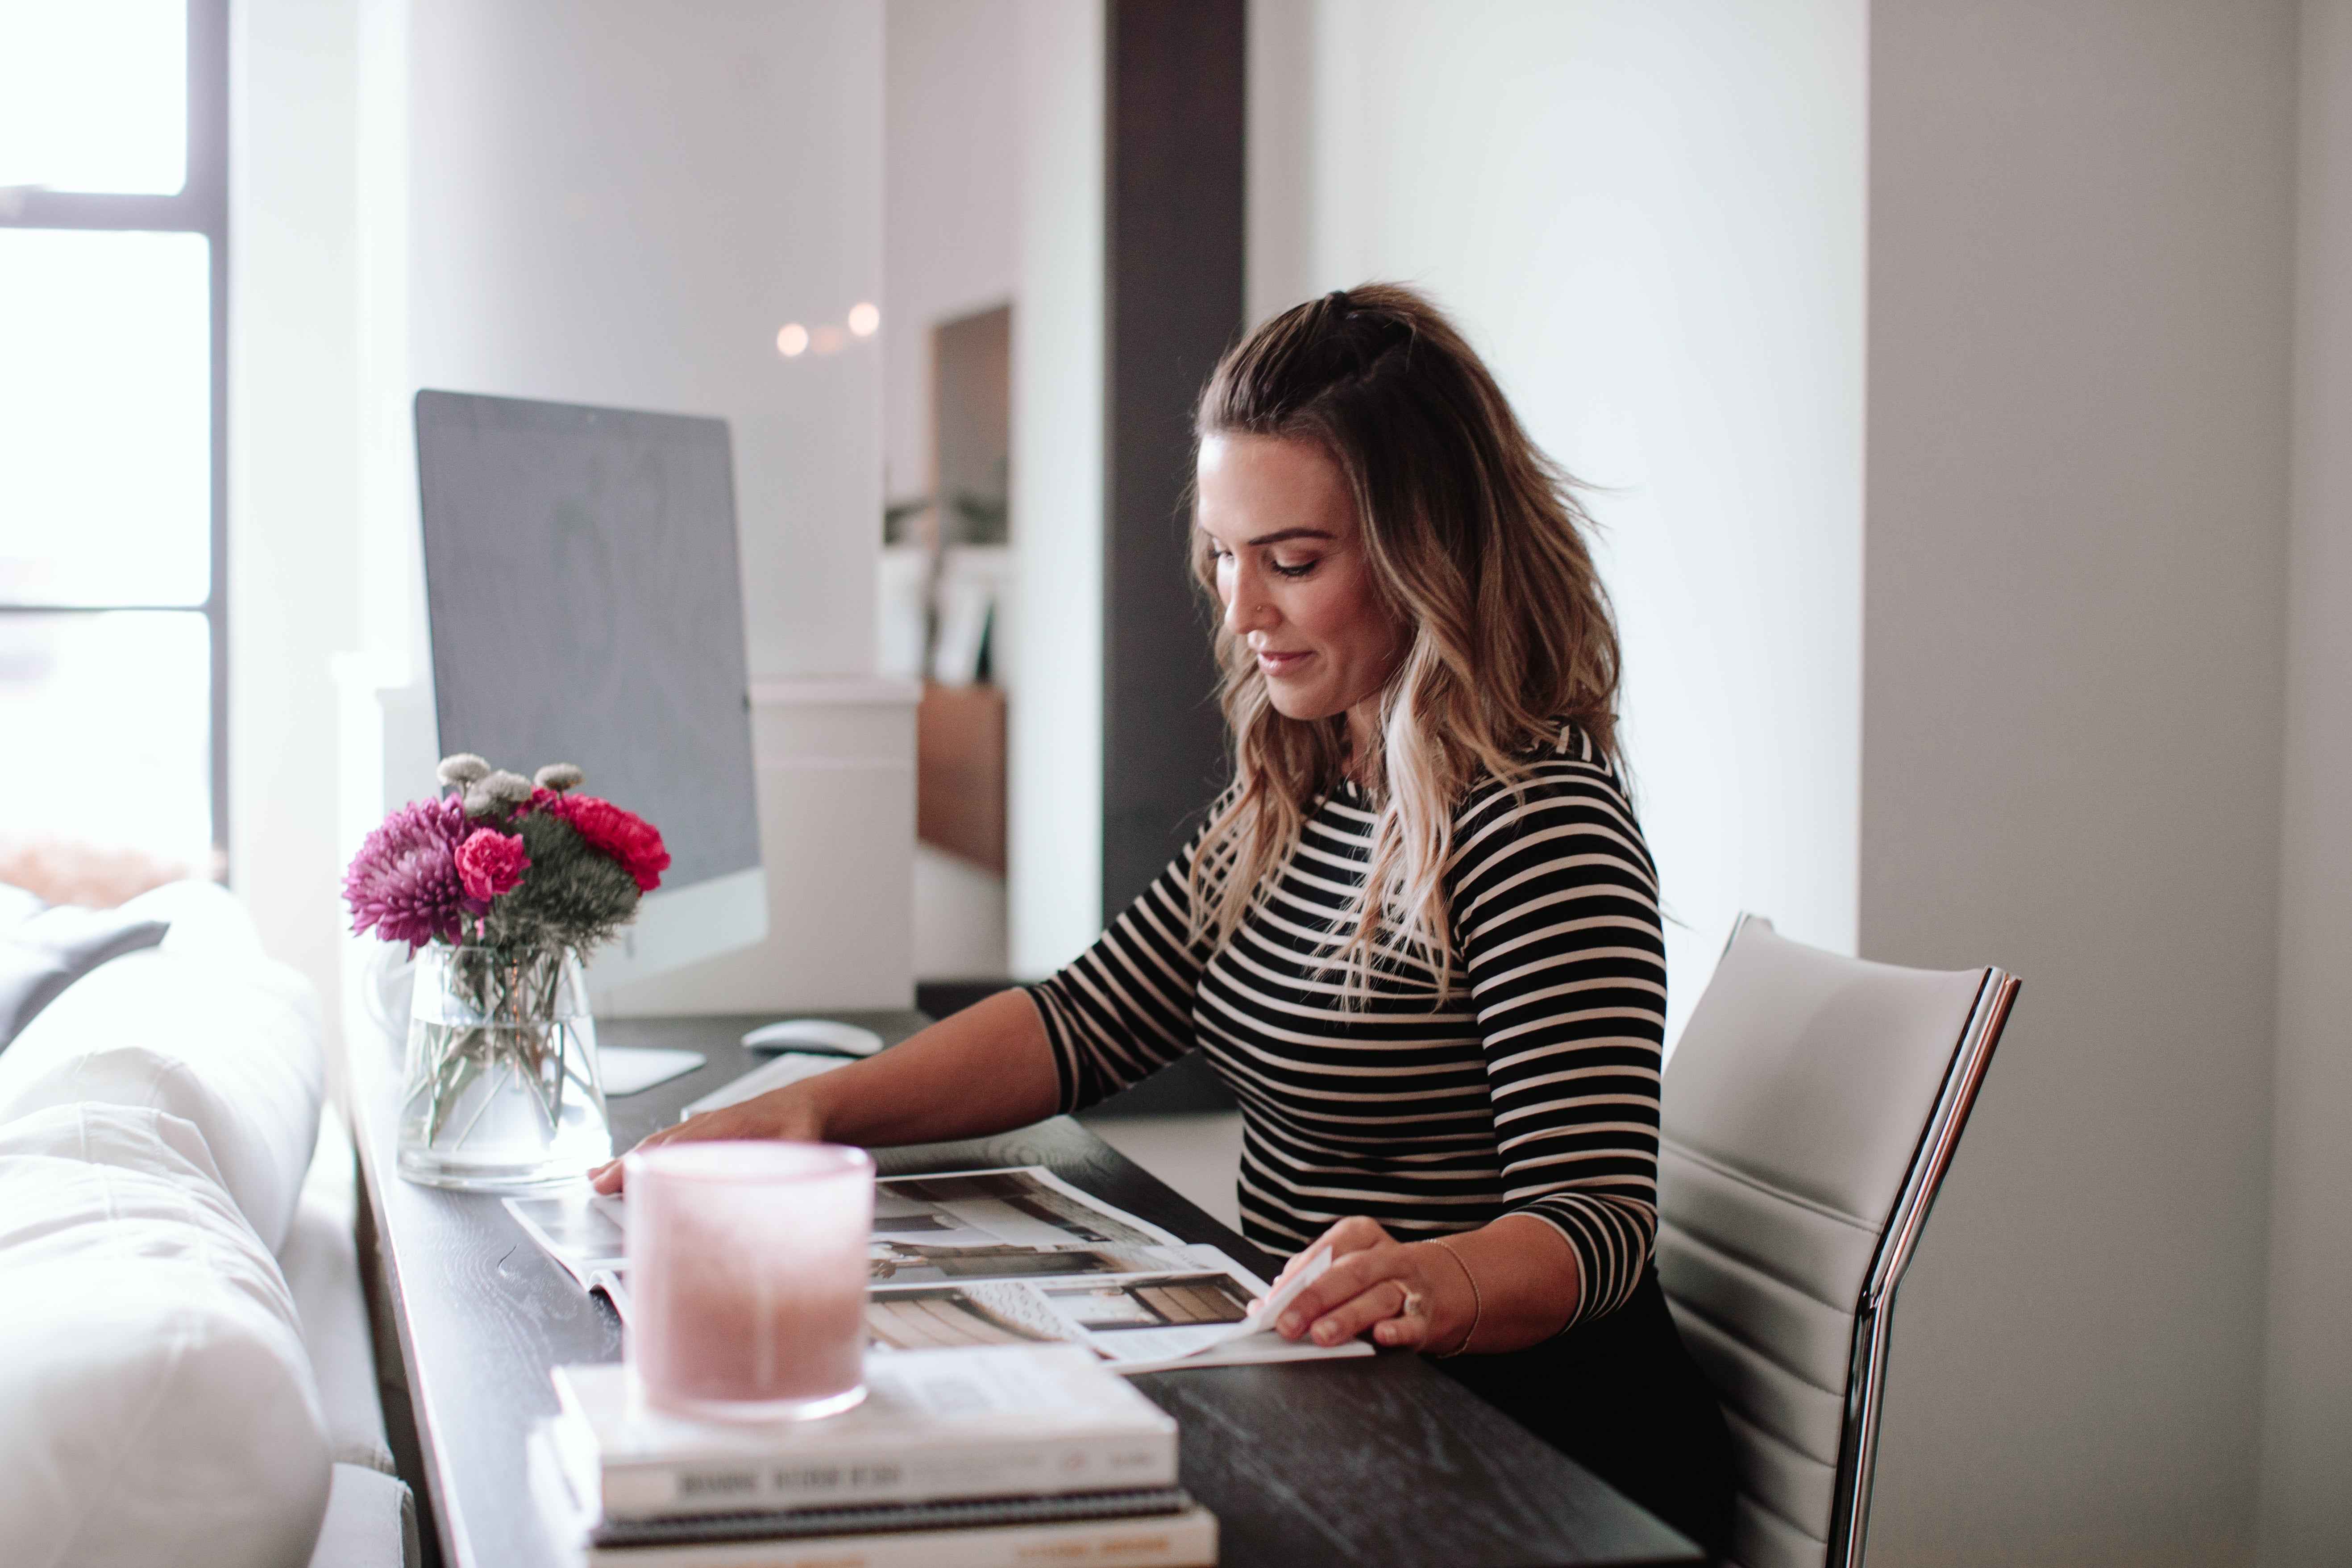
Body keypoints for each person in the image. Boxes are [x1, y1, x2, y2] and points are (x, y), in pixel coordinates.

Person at [595, 283, 1734, 1551]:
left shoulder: (1536, 823)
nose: (1246, 615)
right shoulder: (1306, 783)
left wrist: (1428, 1273)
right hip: (1334, 1395)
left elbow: (1597, 1224)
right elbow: (1083, 1018)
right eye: (1225, 558)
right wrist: (815, 1109)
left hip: (1521, 1454)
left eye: (1294, 561)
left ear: (1432, 553)